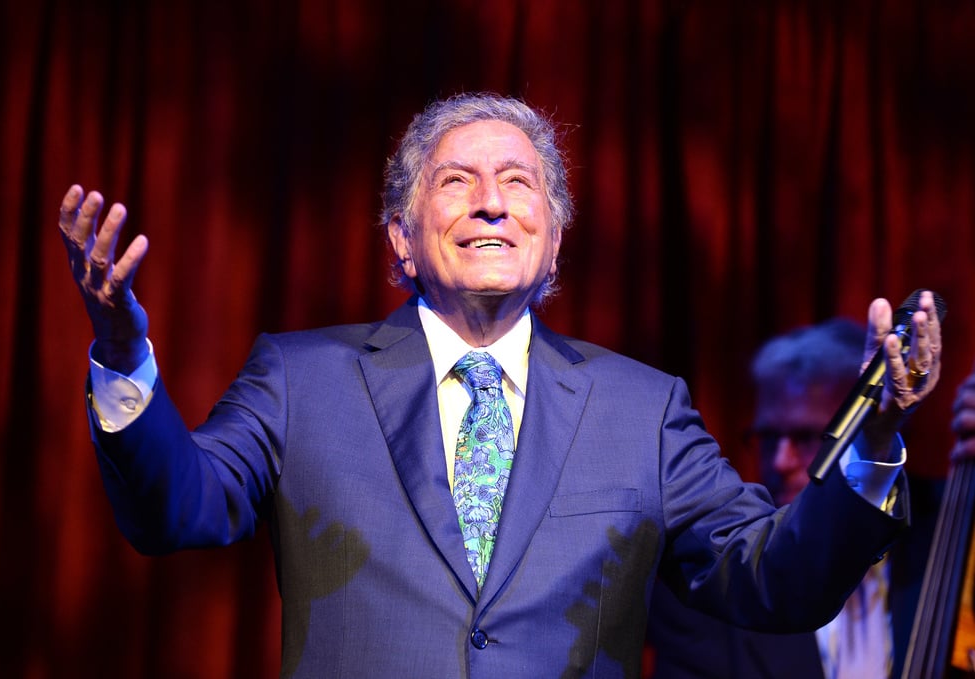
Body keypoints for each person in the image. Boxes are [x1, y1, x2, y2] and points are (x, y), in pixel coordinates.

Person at [57, 93, 943, 679]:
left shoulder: (644, 408)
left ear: (552, 241)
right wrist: (123, 353)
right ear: (401, 240)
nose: (490, 202)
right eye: (457, 182)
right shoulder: (300, 378)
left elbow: (771, 582)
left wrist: (871, 441)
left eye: (518, 184)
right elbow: (179, 508)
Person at [645, 319, 943, 679]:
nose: (779, 462)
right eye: (768, 437)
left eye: (805, 437)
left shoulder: (948, 529)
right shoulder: (704, 594)